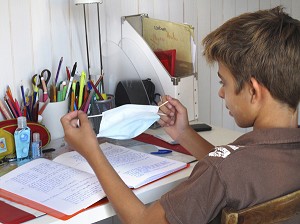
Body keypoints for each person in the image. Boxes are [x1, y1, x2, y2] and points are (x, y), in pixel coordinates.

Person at [61, 6, 300, 224]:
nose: (220, 92)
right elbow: (237, 173)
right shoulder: (259, 159)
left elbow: (143, 221)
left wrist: (92, 151)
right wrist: (184, 133)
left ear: (253, 91)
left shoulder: (222, 171)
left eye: (223, 82)